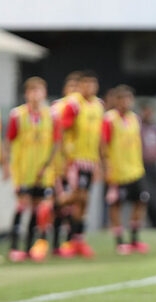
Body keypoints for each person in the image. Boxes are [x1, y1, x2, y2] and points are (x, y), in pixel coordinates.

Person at [5, 77, 60, 262]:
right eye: (32, 91)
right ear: (26, 94)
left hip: (43, 172)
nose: (36, 95)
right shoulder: (17, 115)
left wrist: (48, 166)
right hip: (23, 170)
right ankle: (14, 247)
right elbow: (9, 141)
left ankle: (30, 248)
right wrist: (7, 164)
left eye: (39, 91)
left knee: (39, 210)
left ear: (44, 93)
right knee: (22, 206)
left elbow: (55, 143)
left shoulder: (51, 115)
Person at [59, 70, 105, 258]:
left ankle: (77, 239)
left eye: (92, 84)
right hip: (75, 159)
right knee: (79, 196)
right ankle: (53, 204)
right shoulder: (73, 105)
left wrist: (100, 162)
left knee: (84, 200)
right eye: (86, 84)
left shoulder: (98, 106)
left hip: (90, 159)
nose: (89, 87)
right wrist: (63, 157)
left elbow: (100, 136)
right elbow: (63, 130)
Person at [101, 85, 149, 255]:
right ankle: (120, 241)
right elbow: (104, 144)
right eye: (122, 99)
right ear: (116, 101)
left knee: (141, 201)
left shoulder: (135, 118)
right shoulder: (109, 119)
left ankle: (134, 238)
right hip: (117, 171)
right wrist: (106, 167)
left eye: (128, 99)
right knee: (116, 205)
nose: (126, 102)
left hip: (136, 169)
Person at [50, 71, 81, 257]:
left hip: (75, 163)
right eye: (72, 87)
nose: (74, 92)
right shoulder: (56, 109)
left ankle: (70, 241)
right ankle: (54, 242)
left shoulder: (84, 110)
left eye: (77, 88)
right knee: (59, 204)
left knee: (73, 204)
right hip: (58, 164)